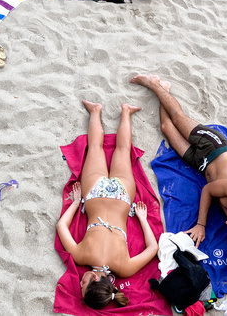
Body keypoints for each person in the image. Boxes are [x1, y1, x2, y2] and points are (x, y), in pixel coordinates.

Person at [129, 75, 227, 277]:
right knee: (176, 116)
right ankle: (154, 85)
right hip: (214, 148)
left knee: (166, 128)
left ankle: (163, 89)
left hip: (201, 164)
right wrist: (201, 225)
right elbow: (208, 189)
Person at [56, 100, 158, 309]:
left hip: (121, 197)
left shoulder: (124, 268)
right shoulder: (80, 255)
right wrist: (76, 204)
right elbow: (61, 226)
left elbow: (153, 247)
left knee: (122, 150)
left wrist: (142, 219)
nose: (80, 281)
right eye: (83, 285)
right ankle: (95, 110)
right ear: (94, 279)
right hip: (94, 194)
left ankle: (126, 112)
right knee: (95, 148)